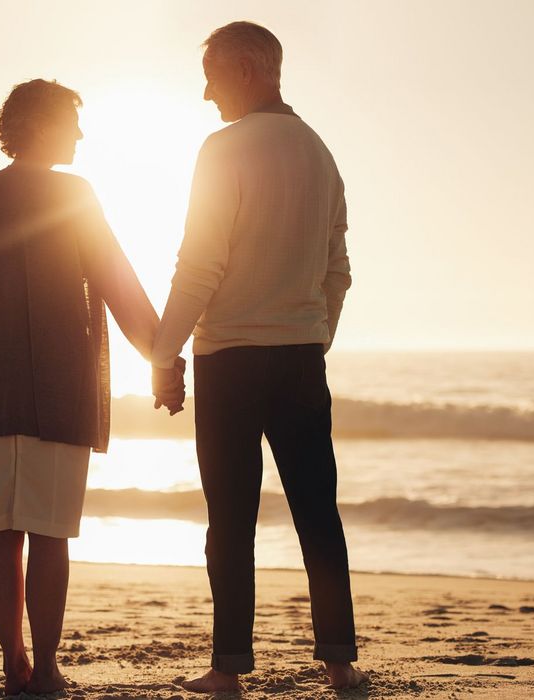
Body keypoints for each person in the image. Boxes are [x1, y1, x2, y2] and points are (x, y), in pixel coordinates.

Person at [149, 21, 365, 692]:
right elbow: (338, 271)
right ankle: (339, 660)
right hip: (300, 358)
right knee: (317, 511)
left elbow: (200, 264)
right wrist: (310, 335)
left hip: (232, 360)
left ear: (246, 69)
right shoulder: (319, 152)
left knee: (231, 519)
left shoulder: (224, 148)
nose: (206, 90)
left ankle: (229, 671)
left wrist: (163, 351)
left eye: (213, 73)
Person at [0, 79, 185, 695]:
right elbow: (114, 278)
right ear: (39, 124)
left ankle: (14, 663)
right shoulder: (73, 193)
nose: (81, 135)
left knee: (2, 532)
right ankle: (49, 666)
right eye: (71, 122)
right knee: (50, 534)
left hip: (3, 393)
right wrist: (162, 358)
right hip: (61, 388)